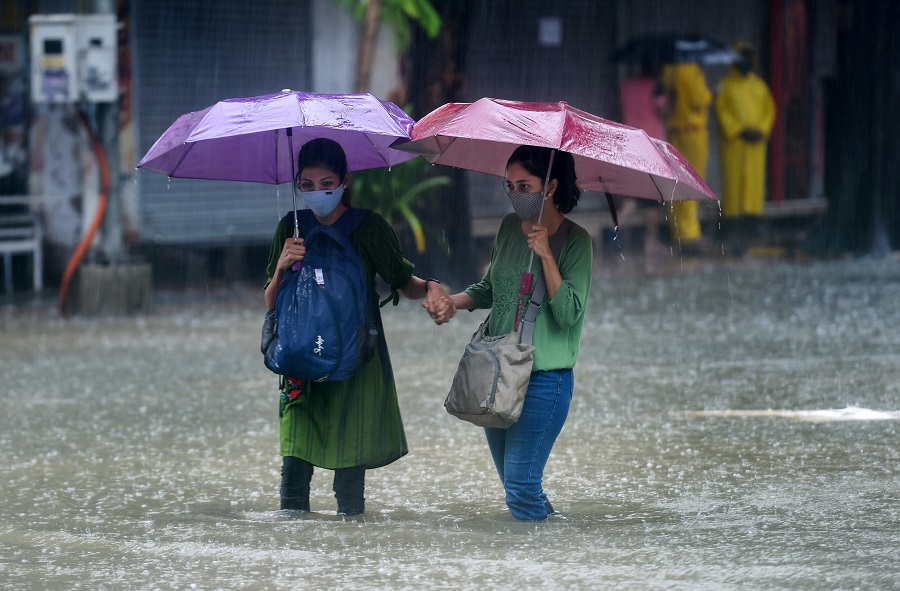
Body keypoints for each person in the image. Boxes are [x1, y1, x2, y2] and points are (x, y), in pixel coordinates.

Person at [264, 138, 453, 515]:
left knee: (349, 484)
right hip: (301, 360)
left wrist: (431, 286)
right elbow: (271, 303)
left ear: (346, 180)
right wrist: (283, 264)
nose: (317, 192)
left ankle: (349, 560)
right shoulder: (291, 227)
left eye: (326, 183)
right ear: (297, 184)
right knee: (293, 476)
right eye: (307, 184)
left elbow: (404, 283)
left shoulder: (370, 228)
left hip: (357, 362)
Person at [429, 145, 593, 521]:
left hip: (544, 380)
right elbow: (490, 288)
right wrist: (453, 303)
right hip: (499, 375)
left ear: (549, 186)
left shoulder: (577, 241)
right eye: (509, 186)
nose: (515, 194)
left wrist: (548, 256)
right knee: (518, 487)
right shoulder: (507, 227)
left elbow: (568, 314)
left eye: (524, 185)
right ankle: (555, 552)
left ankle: (538, 572)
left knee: (521, 487)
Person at [714, 42, 776, 249]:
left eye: (750, 57)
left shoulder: (759, 86)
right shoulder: (725, 85)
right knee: (734, 182)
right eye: (743, 56)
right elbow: (721, 111)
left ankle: (752, 221)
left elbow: (769, 111)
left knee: (753, 184)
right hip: (736, 144)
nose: (747, 61)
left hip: (755, 144)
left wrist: (761, 130)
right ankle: (731, 223)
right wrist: (738, 129)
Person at [618, 57, 669, 258]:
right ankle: (651, 243)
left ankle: (614, 230)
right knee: (651, 198)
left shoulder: (626, 85)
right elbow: (665, 111)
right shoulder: (656, 87)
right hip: (652, 146)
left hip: (631, 143)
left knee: (633, 196)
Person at [661, 60, 713, 252]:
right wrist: (710, 92)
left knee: (677, 181)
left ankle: (677, 230)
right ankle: (689, 232)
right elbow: (700, 99)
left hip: (675, 132)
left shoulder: (669, 70)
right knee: (693, 180)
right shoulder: (692, 71)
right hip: (693, 133)